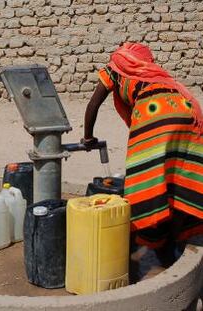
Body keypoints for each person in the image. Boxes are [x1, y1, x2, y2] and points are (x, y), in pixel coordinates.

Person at [82, 42, 203, 264]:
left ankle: (154, 240)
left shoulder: (114, 68)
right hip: (184, 110)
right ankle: (174, 239)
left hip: (153, 114)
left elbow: (93, 104)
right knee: (176, 179)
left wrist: (88, 138)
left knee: (146, 180)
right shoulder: (150, 70)